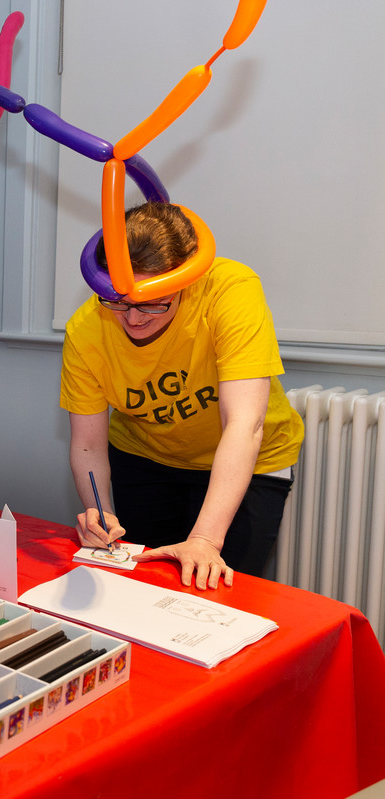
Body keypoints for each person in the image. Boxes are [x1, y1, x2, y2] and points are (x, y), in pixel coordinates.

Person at [61, 202, 303, 590]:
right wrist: (100, 512)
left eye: (153, 303)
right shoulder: (86, 329)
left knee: (218, 592)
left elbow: (244, 423)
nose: (134, 318)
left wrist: (205, 539)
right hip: (146, 458)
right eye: (118, 301)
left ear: (184, 282)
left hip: (251, 459)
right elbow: (88, 446)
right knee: (148, 587)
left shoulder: (231, 289)